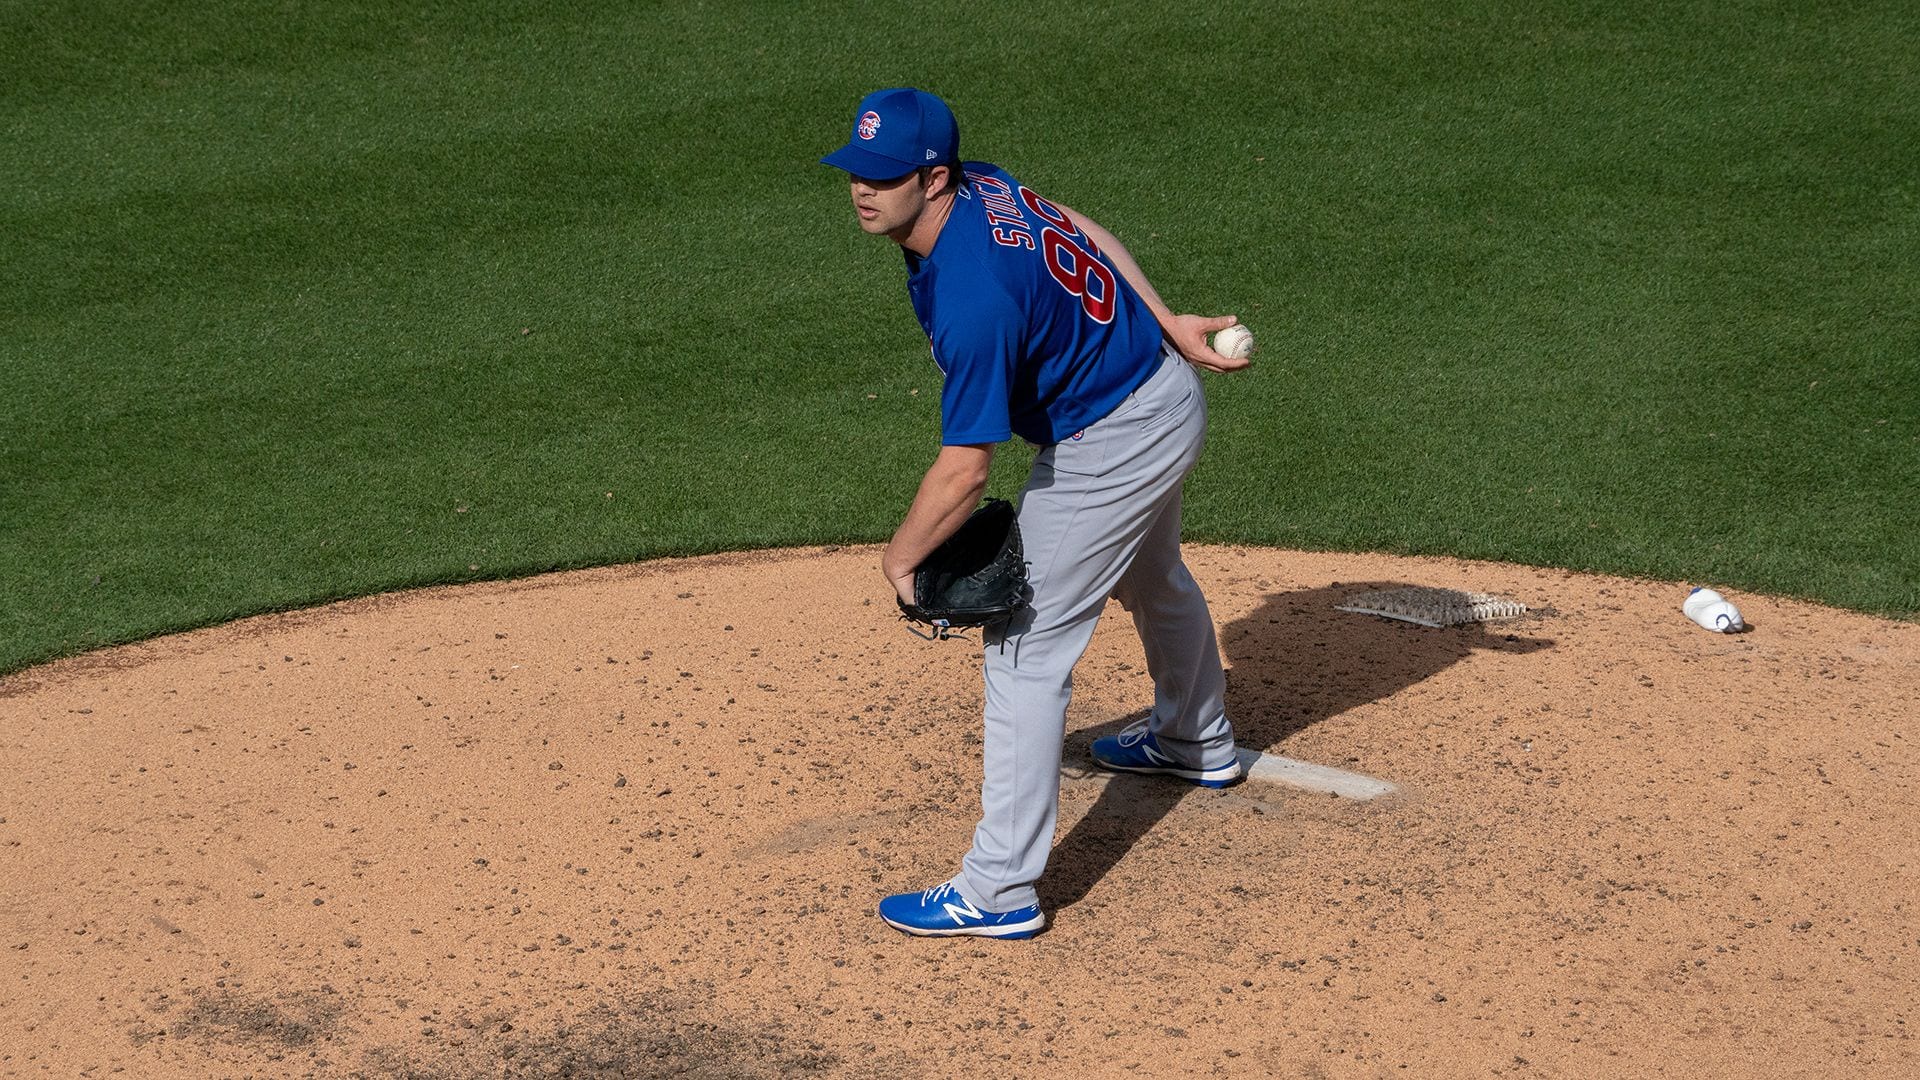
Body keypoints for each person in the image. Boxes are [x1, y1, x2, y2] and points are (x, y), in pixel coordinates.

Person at [821, 87, 1251, 939]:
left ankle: (998, 890)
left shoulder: (971, 295)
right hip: (1163, 398)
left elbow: (967, 469)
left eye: (885, 176)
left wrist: (901, 558)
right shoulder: (985, 186)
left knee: (1022, 646)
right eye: (856, 173)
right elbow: (1080, 226)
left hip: (1113, 440)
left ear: (934, 177)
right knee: (1152, 572)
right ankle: (1195, 739)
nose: (864, 190)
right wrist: (1162, 320)